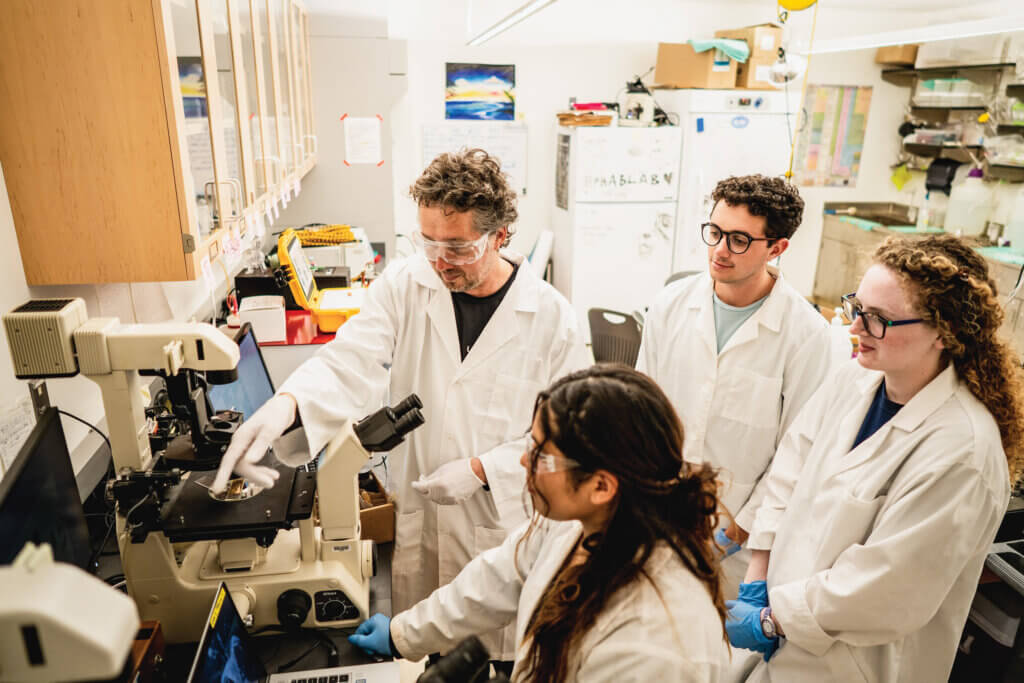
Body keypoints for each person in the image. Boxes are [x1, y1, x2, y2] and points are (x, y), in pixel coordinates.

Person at [212, 148, 588, 667]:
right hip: (424, 514)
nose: (438, 260)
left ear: (501, 235)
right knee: (428, 656)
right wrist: (287, 404)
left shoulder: (552, 318)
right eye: (427, 240)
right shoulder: (407, 284)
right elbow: (351, 357)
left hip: (500, 522)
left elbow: (572, 437)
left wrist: (484, 468)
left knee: (498, 662)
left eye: (457, 246)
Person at [727, 234, 1023, 682]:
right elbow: (791, 466)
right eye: (857, 307)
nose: (856, 328)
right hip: (783, 624)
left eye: (879, 319)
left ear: (945, 332)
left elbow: (887, 587)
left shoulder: (963, 452)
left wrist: (773, 619)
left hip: (856, 664)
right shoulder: (856, 380)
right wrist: (757, 574)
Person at [348, 365, 731, 682]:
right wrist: (402, 634)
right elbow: (499, 576)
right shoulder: (584, 524)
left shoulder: (654, 643)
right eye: (529, 445)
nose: (521, 463)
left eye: (541, 456)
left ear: (600, 485)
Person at [636, 175, 833, 595]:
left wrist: (737, 533)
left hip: (736, 542)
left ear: (777, 248)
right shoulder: (671, 306)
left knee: (713, 652)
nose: (720, 250)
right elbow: (642, 411)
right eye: (715, 232)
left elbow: (797, 452)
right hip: (657, 517)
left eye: (739, 240)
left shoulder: (806, 335)